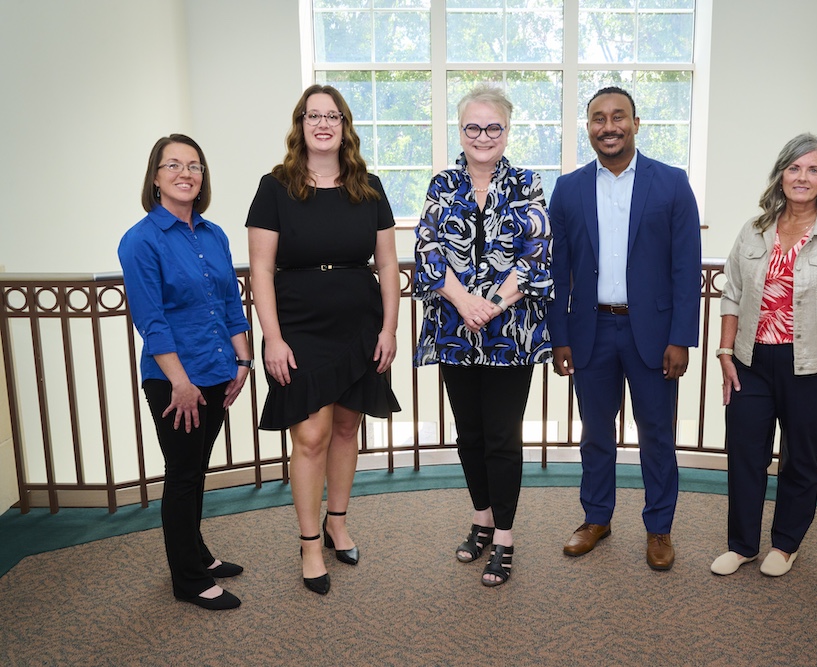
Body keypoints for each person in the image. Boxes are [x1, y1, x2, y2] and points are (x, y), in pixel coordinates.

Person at [247, 85, 401, 596]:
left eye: (332, 115)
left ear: (344, 125)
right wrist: (272, 338)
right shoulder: (275, 187)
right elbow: (261, 270)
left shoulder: (369, 186)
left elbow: (387, 265)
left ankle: (338, 521)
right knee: (310, 436)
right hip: (300, 327)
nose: (323, 124)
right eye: (313, 115)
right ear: (301, 124)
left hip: (359, 322)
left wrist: (389, 329)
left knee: (346, 428)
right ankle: (310, 542)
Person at [711, 133, 817, 577]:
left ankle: (785, 545)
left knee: (800, 461)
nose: (802, 177)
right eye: (794, 168)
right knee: (745, 455)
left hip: (815, 366)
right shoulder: (754, 230)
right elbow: (732, 295)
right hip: (751, 362)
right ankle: (742, 544)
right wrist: (726, 352)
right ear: (781, 174)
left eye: (812, 170)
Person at [548, 86, 702, 571]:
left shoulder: (672, 183)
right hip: (591, 330)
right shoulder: (568, 188)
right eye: (598, 118)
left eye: (618, 117)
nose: (608, 126)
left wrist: (682, 337)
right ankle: (597, 517)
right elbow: (557, 271)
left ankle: (659, 528)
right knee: (595, 433)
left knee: (656, 434)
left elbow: (686, 267)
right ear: (588, 127)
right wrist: (561, 336)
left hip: (653, 336)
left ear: (636, 123)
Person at [413, 85, 552, 587]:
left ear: (507, 130)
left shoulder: (528, 184)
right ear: (461, 130)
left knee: (501, 437)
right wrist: (463, 301)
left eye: (493, 127)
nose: (483, 136)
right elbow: (427, 252)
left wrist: (491, 304)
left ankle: (507, 536)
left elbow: (535, 255)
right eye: (473, 127)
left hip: (509, 333)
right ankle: (482, 518)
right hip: (454, 330)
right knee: (469, 434)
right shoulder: (442, 184)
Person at [119, 134, 252, 610]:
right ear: (155, 177)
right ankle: (188, 580)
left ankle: (197, 553)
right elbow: (150, 321)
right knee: (181, 474)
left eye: (194, 165)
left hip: (217, 371)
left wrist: (243, 361)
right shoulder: (140, 241)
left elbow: (230, 305)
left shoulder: (214, 235)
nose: (185, 173)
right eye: (173, 165)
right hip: (174, 381)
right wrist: (180, 381)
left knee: (196, 469)